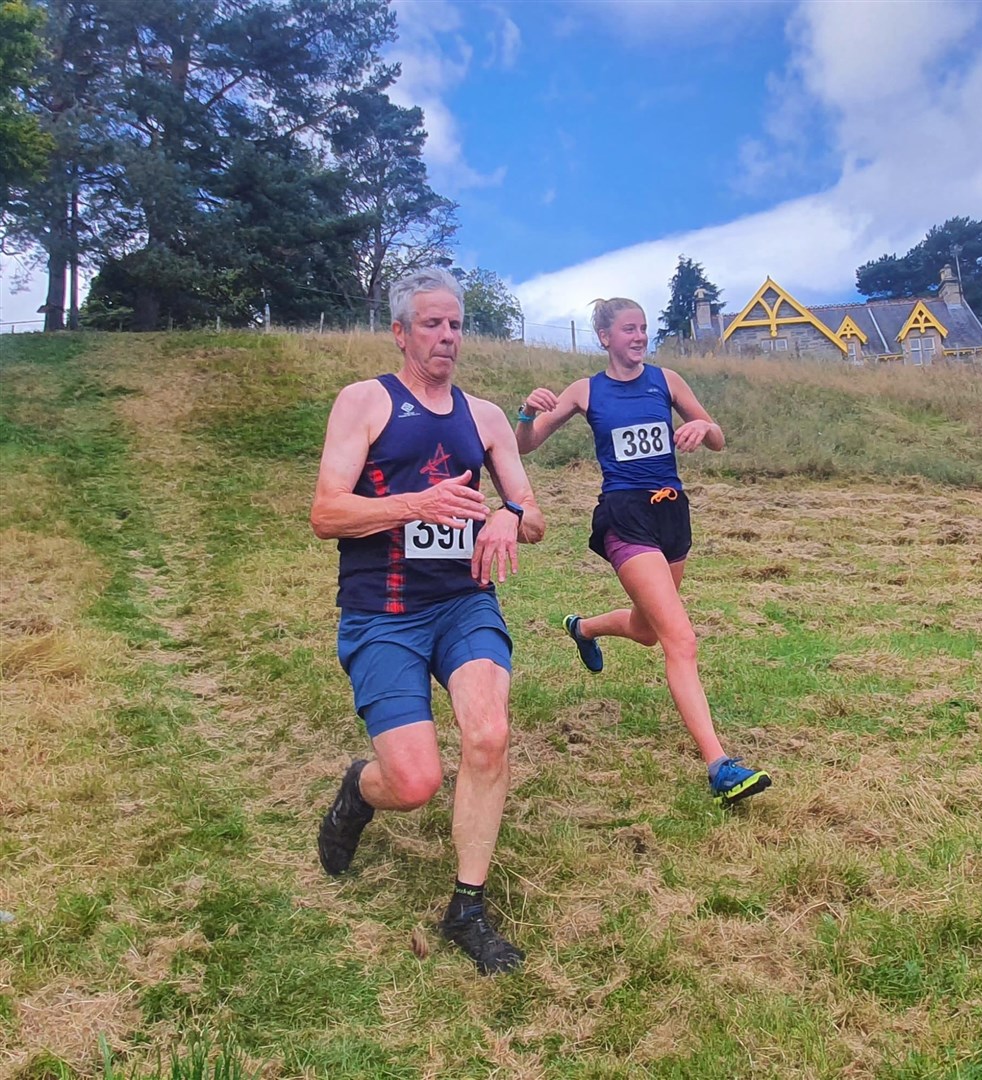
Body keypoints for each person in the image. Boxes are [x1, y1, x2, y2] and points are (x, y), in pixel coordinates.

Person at [310, 267, 544, 975]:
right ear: (401, 331)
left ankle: (466, 908)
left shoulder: (486, 417)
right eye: (432, 324)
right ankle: (359, 789)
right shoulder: (365, 402)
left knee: (489, 735)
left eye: (456, 325)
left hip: (463, 601)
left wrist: (507, 514)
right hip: (382, 611)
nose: (446, 337)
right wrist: (415, 503)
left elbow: (532, 515)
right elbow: (325, 513)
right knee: (413, 783)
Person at [514, 297, 770, 806]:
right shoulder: (586, 391)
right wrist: (525, 413)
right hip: (624, 516)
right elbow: (526, 445)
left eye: (644, 328)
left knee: (648, 631)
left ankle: (582, 628)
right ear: (605, 337)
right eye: (628, 329)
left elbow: (718, 438)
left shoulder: (668, 381)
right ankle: (719, 766)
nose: (639, 337)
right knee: (682, 639)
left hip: (671, 513)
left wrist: (705, 429)